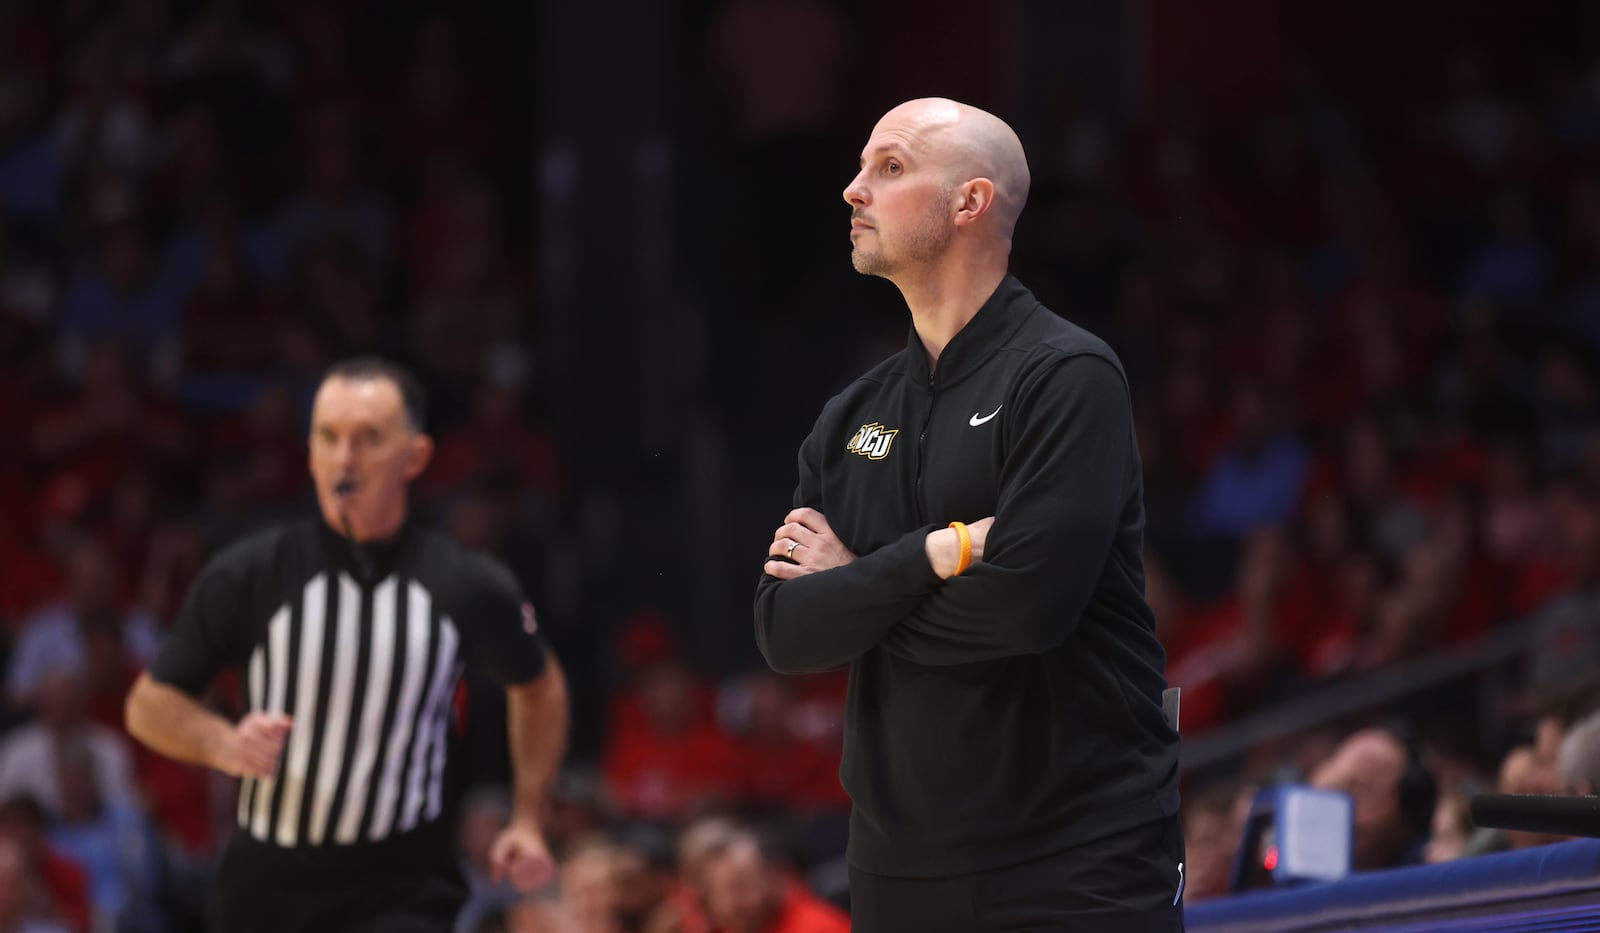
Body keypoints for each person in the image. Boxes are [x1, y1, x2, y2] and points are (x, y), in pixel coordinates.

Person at [753, 98, 1183, 931]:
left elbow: (1026, 609)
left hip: (1080, 848)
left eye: (890, 167)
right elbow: (785, 630)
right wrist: (935, 555)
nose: (852, 190)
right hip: (897, 862)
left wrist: (855, 588)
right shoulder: (851, 414)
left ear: (970, 202)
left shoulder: (1067, 375)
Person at [125, 357, 570, 932]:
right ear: (308, 454)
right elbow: (148, 705)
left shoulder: (466, 584)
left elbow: (539, 684)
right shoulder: (250, 574)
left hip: (402, 886)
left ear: (416, 458)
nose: (345, 458)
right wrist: (223, 742)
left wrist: (530, 815)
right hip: (268, 886)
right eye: (328, 438)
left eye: (369, 440)